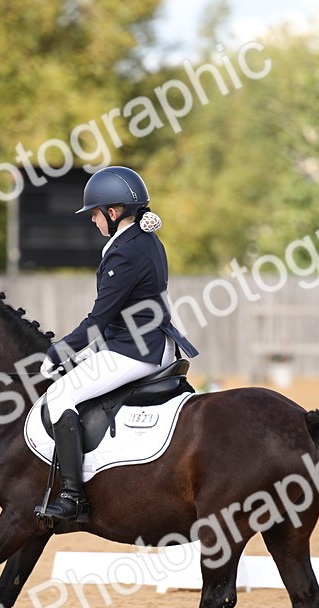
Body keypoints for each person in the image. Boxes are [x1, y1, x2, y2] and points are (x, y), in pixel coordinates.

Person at [36, 166, 199, 523]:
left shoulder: (124, 252)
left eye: (94, 214)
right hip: (149, 342)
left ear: (113, 212)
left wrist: (59, 351)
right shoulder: (144, 239)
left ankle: (71, 496)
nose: (92, 221)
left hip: (135, 351)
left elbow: (99, 318)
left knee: (61, 395)